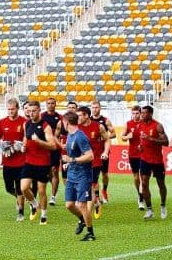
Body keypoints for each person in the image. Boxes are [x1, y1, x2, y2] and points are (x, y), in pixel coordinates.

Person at [21, 101, 58, 225]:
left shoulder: (45, 126)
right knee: (24, 187)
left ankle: (43, 215)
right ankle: (34, 204)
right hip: (29, 161)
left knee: (41, 190)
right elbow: (26, 138)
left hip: (42, 162)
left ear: (39, 110)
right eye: (29, 111)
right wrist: (23, 147)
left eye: (34, 111)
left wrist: (39, 141)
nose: (31, 113)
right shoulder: (26, 124)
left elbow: (53, 145)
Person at [62, 112, 96, 241]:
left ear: (66, 122)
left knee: (82, 204)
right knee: (69, 205)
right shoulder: (70, 136)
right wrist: (69, 164)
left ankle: (90, 233)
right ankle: (82, 219)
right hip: (72, 174)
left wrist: (72, 160)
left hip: (83, 175)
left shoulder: (80, 137)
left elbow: (90, 156)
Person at [0, 98, 28, 221]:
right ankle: (19, 198)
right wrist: (2, 144)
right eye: (8, 109)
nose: (10, 111)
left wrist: (22, 145)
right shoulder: (1, 122)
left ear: (17, 109)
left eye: (12, 109)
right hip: (8, 159)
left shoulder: (24, 122)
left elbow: (27, 137)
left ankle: (21, 212)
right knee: (9, 188)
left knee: (19, 187)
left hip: (21, 160)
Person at [76, 106, 109, 220]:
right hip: (81, 162)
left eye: (79, 115)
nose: (78, 117)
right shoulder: (76, 127)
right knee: (84, 187)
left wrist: (105, 152)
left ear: (86, 115)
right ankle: (97, 203)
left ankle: (86, 217)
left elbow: (107, 139)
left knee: (90, 186)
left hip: (94, 162)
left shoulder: (98, 126)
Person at [139, 105, 169, 220]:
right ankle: (149, 209)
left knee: (161, 184)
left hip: (157, 161)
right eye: (141, 113)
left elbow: (166, 142)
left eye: (144, 113)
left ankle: (163, 206)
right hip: (144, 159)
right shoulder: (140, 125)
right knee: (145, 183)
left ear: (150, 114)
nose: (142, 115)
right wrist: (140, 147)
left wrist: (151, 139)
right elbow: (142, 140)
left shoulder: (158, 126)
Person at [90, 100, 116, 204]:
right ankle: (96, 196)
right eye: (93, 107)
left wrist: (104, 137)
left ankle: (104, 190)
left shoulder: (105, 121)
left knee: (104, 174)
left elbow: (114, 134)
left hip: (103, 151)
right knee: (94, 176)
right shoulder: (88, 121)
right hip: (92, 152)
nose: (94, 109)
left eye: (96, 107)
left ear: (100, 108)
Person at [121, 105, 145, 210]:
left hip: (144, 154)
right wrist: (127, 137)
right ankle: (139, 194)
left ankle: (141, 198)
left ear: (140, 113)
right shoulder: (128, 124)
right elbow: (122, 137)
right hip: (133, 154)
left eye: (137, 113)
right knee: (136, 177)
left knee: (142, 177)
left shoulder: (145, 123)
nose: (135, 115)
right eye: (133, 113)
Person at [41, 97, 64, 206]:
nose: (50, 105)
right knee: (47, 172)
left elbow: (61, 133)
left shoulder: (60, 118)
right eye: (48, 103)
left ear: (55, 104)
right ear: (46, 105)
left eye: (52, 103)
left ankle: (53, 196)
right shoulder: (42, 116)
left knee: (54, 170)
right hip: (44, 147)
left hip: (55, 147)